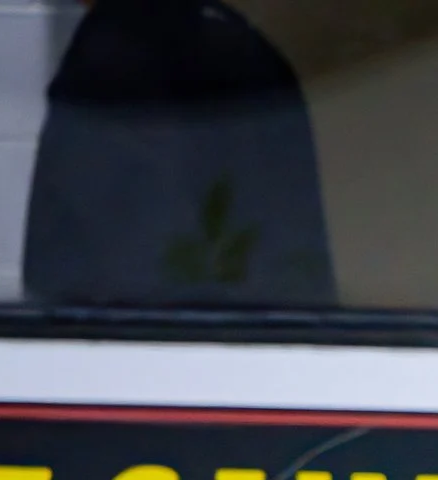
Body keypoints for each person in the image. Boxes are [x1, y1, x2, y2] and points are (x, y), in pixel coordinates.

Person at [23, 0, 335, 308]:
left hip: (150, 329)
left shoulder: (117, 56)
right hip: (251, 327)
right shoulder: (240, 47)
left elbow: (74, 265)